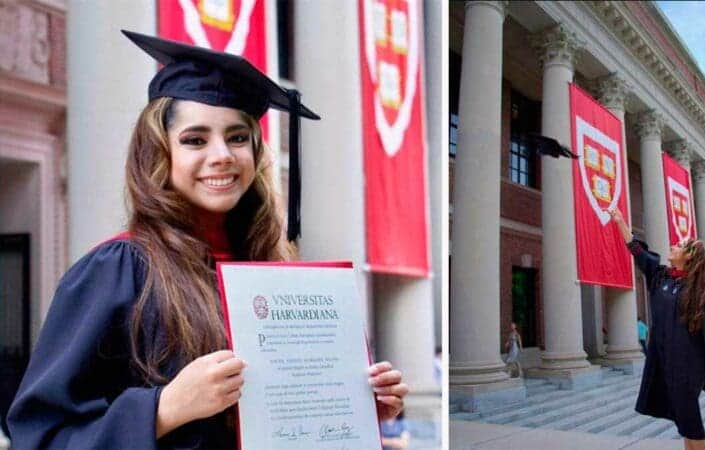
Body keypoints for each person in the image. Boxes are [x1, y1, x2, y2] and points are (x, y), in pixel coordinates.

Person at [6, 31, 408, 449]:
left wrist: (352, 409)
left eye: (237, 138)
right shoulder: (119, 270)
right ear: (158, 152)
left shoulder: (274, 273)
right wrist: (163, 409)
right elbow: (43, 438)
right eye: (195, 140)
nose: (222, 155)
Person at [609, 208, 705, 450]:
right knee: (684, 420)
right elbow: (637, 251)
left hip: (690, 364)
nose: (673, 246)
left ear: (689, 257)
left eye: (679, 246)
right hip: (664, 361)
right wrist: (620, 222)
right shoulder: (660, 278)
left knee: (690, 418)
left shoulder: (702, 289)